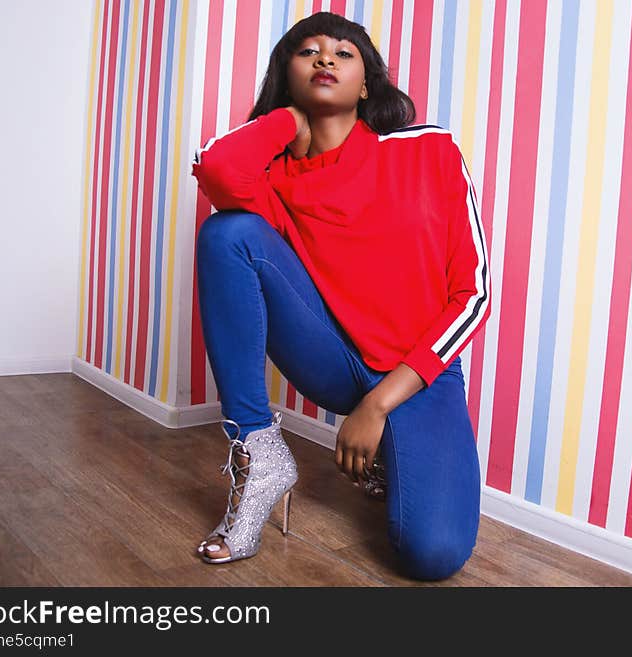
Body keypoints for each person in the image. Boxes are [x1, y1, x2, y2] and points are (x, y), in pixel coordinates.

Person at [191, 12, 490, 581]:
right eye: (308, 51)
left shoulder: (431, 152)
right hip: (330, 354)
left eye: (343, 52)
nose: (326, 59)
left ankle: (389, 453)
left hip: (418, 374)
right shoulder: (275, 177)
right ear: (288, 75)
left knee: (433, 555)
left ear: (367, 82)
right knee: (227, 233)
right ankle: (260, 454)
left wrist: (377, 406)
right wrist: (283, 121)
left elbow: (472, 295)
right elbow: (220, 172)